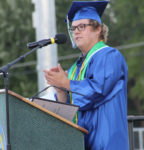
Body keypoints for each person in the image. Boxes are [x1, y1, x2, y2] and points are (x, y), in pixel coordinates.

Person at [44, 1, 129, 150]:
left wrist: (67, 84)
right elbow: (69, 111)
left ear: (98, 29)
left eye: (82, 27)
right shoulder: (74, 69)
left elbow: (97, 90)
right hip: (82, 144)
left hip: (107, 143)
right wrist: (61, 92)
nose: (76, 31)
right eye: (74, 28)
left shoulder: (109, 56)